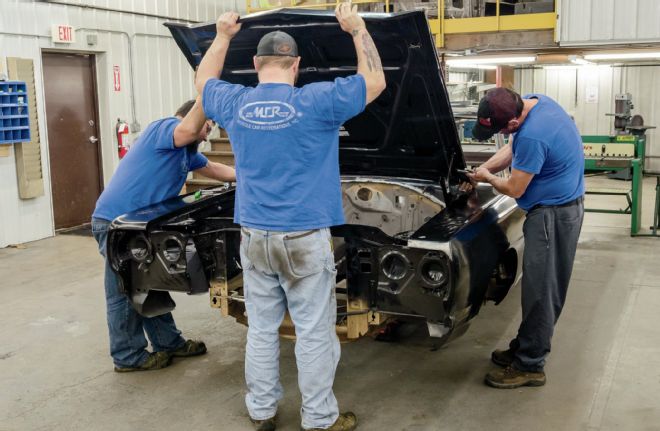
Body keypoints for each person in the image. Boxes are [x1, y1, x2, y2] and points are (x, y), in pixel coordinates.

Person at [194, 4, 385, 431]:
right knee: (313, 333)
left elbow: (203, 81)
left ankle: (262, 412)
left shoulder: (236, 102)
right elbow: (375, 80)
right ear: (296, 65)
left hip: (255, 237)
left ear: (255, 64)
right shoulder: (316, 101)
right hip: (303, 238)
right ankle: (318, 419)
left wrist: (222, 36)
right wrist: (356, 30)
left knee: (262, 331)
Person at [92, 98, 236, 372]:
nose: (207, 135)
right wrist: (208, 93)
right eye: (208, 126)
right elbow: (188, 130)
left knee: (150, 283)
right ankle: (128, 357)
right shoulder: (165, 127)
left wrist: (249, 178)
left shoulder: (185, 151)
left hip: (141, 226)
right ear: (191, 118)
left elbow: (214, 169)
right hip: (115, 224)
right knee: (125, 290)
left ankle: (168, 343)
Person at [468, 87, 585, 389]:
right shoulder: (537, 102)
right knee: (539, 287)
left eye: (500, 129)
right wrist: (485, 168)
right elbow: (513, 148)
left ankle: (531, 364)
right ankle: (525, 345)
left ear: (513, 123)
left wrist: (490, 178)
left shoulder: (534, 135)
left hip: (552, 216)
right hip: (558, 208)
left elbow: (515, 188)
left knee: (541, 290)